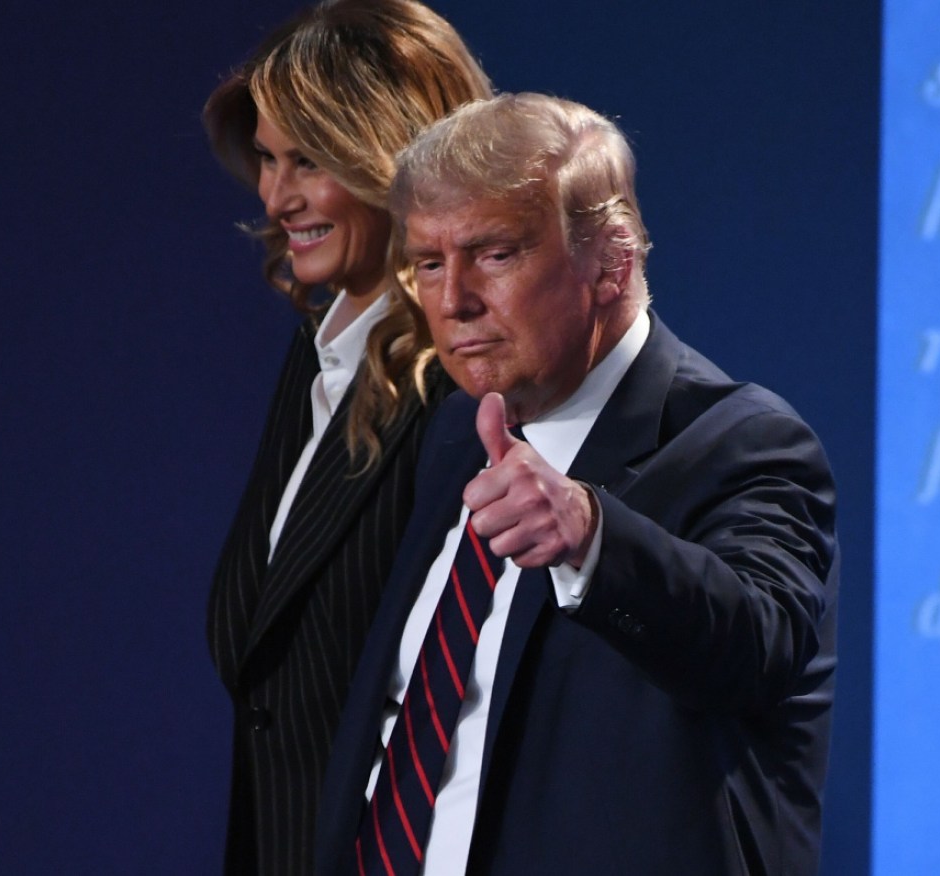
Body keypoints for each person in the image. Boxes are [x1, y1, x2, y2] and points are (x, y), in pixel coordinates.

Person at [316, 93, 838, 876]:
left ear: (610, 264)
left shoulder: (742, 441)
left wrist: (592, 535)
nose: (453, 300)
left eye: (494, 254)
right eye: (429, 263)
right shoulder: (459, 431)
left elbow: (757, 644)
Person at [201, 2, 491, 872]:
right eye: (266, 157)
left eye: (308, 161)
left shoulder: (467, 393)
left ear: (398, 162)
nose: (274, 196)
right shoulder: (318, 362)